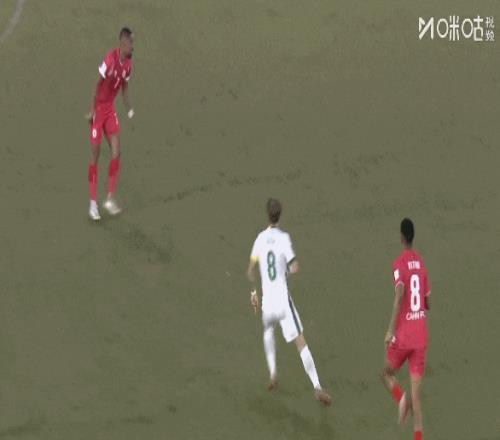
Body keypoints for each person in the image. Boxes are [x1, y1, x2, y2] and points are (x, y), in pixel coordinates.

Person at [247, 198, 331, 406]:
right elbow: (295, 267)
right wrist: (285, 270)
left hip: (267, 302)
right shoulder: (284, 239)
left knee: (268, 331)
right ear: (279, 216)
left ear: (267, 215)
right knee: (300, 343)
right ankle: (317, 386)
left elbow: (250, 271)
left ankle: (273, 373)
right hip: (282, 301)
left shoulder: (260, 239)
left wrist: (254, 293)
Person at [382, 218, 431, 440]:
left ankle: (400, 399)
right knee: (417, 398)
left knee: (386, 373)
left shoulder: (398, 264)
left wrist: (390, 330)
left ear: (401, 237)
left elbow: (400, 293)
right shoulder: (421, 264)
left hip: (404, 336)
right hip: (420, 336)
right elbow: (427, 302)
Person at [86, 27, 135, 220]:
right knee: (95, 156)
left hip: (110, 110)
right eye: (130, 44)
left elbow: (125, 87)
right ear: (123, 44)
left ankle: (109, 199)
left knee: (116, 152)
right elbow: (96, 84)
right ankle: (92, 204)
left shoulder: (128, 65)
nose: (133, 47)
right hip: (98, 111)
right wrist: (92, 110)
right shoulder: (110, 60)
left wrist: (129, 108)